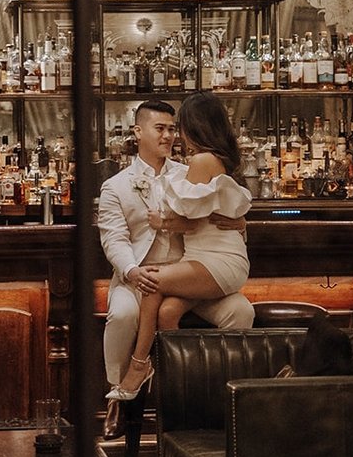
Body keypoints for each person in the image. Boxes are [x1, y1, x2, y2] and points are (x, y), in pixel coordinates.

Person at [98, 98, 253, 426]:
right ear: (138, 132)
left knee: (242, 310)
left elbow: (217, 211)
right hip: (139, 273)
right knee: (125, 313)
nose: (170, 136)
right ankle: (117, 391)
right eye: (161, 129)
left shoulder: (191, 169)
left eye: (173, 128)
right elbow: (114, 239)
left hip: (191, 268)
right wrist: (132, 270)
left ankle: (219, 397)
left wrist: (241, 223)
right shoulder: (115, 186)